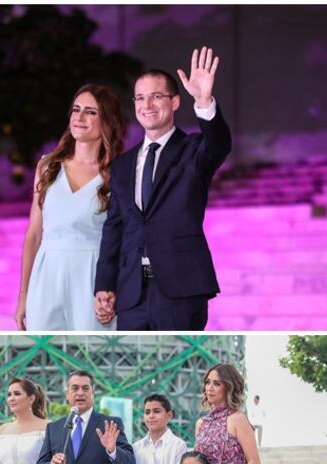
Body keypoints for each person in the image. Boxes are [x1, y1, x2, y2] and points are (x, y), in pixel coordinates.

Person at [94, 47, 232, 330]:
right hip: (131, 294)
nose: (147, 104)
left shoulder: (193, 149)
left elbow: (219, 145)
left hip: (180, 290)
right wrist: (104, 285)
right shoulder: (122, 165)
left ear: (175, 102)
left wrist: (204, 101)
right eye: (140, 98)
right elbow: (114, 228)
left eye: (156, 96)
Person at [15, 84, 126, 331]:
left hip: (92, 275)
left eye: (90, 111)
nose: (79, 116)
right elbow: (34, 234)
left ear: (107, 121)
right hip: (47, 273)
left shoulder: (117, 174)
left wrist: (114, 289)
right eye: (76, 109)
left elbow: (122, 238)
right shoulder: (47, 166)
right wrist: (23, 295)